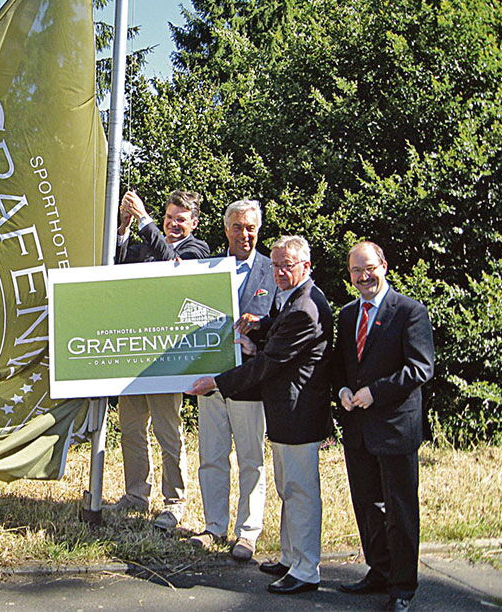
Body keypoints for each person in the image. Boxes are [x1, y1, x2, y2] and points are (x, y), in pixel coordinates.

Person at [187, 235, 333, 595]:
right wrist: (261, 328)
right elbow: (279, 335)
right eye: (277, 265)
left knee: (300, 492)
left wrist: (216, 382)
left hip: (299, 413)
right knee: (288, 488)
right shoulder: (294, 300)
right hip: (288, 413)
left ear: (306, 267)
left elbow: (272, 362)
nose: (280, 272)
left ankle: (305, 569)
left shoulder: (305, 307)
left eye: (289, 266)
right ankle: (289, 558)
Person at [332, 241, 435, 612]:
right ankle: (378, 572)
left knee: (400, 509)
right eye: (356, 271)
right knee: (367, 506)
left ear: (384, 266)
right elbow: (340, 366)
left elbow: (421, 368)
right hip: (358, 428)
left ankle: (403, 588)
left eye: (369, 268)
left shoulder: (409, 311)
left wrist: (376, 392)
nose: (363, 276)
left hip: (395, 428)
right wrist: (343, 389)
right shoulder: (346, 315)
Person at [105, 189, 210, 530]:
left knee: (168, 432)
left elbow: (174, 269)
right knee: (132, 430)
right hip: (134, 355)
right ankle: (136, 495)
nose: (173, 224)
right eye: (168, 218)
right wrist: (123, 225)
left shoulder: (198, 251)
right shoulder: (145, 246)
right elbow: (117, 264)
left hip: (167, 358)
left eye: (181, 219)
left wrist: (145, 219)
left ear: (193, 223)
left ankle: (174, 501)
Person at [188, 199, 276, 561]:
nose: (245, 234)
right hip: (210, 379)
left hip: (250, 382)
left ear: (259, 229)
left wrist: (258, 336)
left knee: (251, 459)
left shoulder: (274, 271)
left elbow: (284, 324)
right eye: (238, 227)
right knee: (211, 456)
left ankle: (248, 533)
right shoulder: (206, 269)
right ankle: (213, 527)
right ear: (226, 230)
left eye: (251, 227)